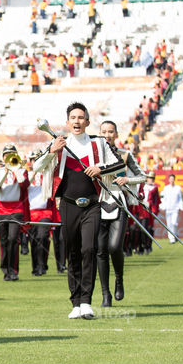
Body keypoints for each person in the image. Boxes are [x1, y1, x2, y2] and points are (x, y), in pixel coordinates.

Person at [34, 102, 125, 319]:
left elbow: (119, 164)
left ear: (87, 122)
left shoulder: (99, 143)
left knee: (88, 249)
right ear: (67, 122)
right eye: (73, 118)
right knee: (72, 252)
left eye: (81, 117)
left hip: (92, 204)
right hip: (67, 204)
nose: (77, 121)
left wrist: (100, 168)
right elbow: (37, 166)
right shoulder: (59, 142)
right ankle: (75, 302)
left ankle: (86, 301)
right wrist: (51, 152)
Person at [96, 120, 144, 306]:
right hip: (98, 204)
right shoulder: (94, 157)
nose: (107, 135)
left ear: (116, 134)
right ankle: (105, 294)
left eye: (110, 132)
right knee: (100, 250)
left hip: (119, 203)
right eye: (104, 131)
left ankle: (119, 279)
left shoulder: (125, 155)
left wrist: (127, 180)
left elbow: (142, 176)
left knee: (115, 247)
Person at [0, 144, 30, 281]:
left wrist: (16, 169)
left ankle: (13, 270)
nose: (9, 156)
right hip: (1, 210)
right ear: (3, 157)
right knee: (3, 241)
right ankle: (5, 269)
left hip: (17, 209)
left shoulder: (22, 171)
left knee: (13, 239)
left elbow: (24, 185)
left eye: (12, 154)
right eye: (6, 154)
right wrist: (6, 172)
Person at [27, 149, 57, 276]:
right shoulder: (27, 175)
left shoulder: (48, 174)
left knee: (43, 237)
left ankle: (42, 264)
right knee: (33, 241)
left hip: (45, 212)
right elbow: (22, 186)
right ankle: (36, 266)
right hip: (31, 212)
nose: (36, 161)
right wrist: (33, 173)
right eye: (34, 159)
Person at [161, 174, 183, 240]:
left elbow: (180, 198)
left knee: (174, 223)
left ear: (174, 180)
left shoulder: (178, 188)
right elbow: (164, 199)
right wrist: (163, 206)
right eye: (170, 179)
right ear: (168, 180)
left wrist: (181, 206)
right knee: (169, 224)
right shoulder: (166, 188)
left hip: (175, 208)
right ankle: (171, 238)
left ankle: (175, 234)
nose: (171, 180)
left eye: (172, 179)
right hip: (168, 208)